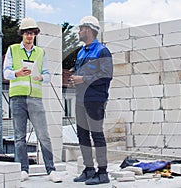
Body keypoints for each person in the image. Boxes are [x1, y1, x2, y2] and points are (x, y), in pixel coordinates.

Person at [3, 17, 62, 183]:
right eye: (26, 33)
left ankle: (51, 170)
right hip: (17, 98)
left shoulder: (40, 52)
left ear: (35, 34)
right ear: (22, 34)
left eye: (32, 33)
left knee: (44, 135)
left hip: (35, 98)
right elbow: (5, 72)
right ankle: (23, 169)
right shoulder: (13, 50)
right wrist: (17, 73)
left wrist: (40, 77)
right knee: (19, 136)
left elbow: (48, 75)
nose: (29, 36)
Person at [69, 15, 113, 185]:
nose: (79, 32)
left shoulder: (102, 51)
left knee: (96, 134)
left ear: (89, 30)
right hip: (80, 99)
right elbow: (81, 74)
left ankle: (103, 173)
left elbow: (106, 75)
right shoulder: (81, 52)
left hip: (95, 100)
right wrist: (75, 80)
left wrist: (84, 79)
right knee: (82, 135)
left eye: (81, 28)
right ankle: (89, 170)